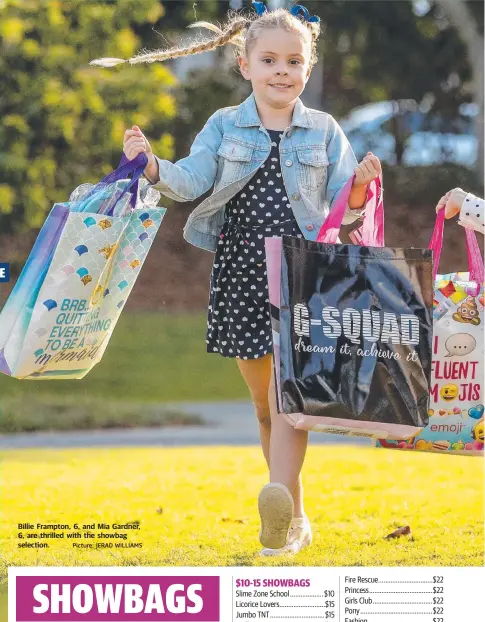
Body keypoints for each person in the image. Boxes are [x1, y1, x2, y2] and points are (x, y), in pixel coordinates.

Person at [92, 1, 382, 555]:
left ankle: (277, 506)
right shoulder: (224, 125)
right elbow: (191, 179)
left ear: (308, 68)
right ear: (245, 65)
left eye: (293, 62)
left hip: (305, 278)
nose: (281, 71)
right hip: (242, 276)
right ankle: (293, 514)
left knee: (287, 401)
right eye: (269, 59)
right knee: (262, 405)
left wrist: (363, 188)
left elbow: (345, 213)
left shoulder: (324, 131)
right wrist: (151, 166)